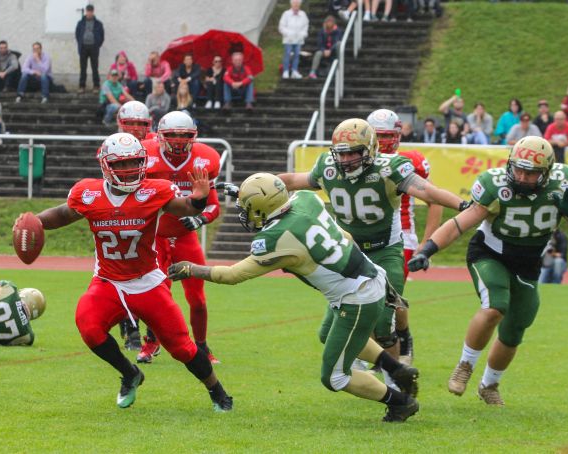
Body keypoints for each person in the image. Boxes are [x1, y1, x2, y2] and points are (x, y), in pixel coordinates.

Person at [168, 173, 420, 423]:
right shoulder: (306, 200)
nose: (244, 213)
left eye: (247, 208)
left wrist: (192, 269)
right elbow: (346, 237)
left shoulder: (276, 240)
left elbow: (232, 275)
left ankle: (401, 403)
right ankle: (397, 370)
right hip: (368, 275)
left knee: (334, 377)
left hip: (357, 297)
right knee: (327, 334)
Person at [31, 132, 233, 411]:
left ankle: (217, 390)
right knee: (88, 327)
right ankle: (130, 373)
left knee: (182, 348)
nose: (128, 170)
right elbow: (64, 214)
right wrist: (34, 223)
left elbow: (183, 206)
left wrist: (198, 200)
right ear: (105, 166)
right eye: (120, 165)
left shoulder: (154, 190)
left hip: (147, 280)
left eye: (134, 163)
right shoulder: (88, 192)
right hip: (108, 280)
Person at [407, 136, 568, 405]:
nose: (520, 176)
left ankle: (489, 385)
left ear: (545, 172)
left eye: (529, 172)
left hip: (529, 262)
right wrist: (428, 249)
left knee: (515, 329)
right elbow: (462, 222)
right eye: (517, 168)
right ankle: (464, 365)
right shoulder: (495, 184)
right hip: (490, 253)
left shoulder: (563, 182)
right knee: (495, 305)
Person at [277, 119, 469, 373]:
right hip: (348, 253)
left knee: (382, 325)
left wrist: (464, 206)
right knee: (327, 333)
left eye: (353, 153)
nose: (346, 160)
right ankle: (372, 368)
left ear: (369, 149)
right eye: (342, 153)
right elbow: (290, 181)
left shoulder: (389, 168)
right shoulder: (328, 167)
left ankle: (396, 380)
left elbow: (429, 193)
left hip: (385, 250)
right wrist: (255, 185)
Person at [138, 111, 222, 364]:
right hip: (156, 237)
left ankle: (202, 347)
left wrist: (200, 219)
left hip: (185, 236)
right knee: (157, 294)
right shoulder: (145, 156)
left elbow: (213, 205)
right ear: (160, 136)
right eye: (172, 135)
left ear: (193, 137)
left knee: (197, 298)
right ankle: (152, 342)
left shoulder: (204, 160)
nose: (177, 140)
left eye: (183, 135)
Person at [367, 109, 444, 365]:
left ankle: (402, 339)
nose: (382, 142)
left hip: (401, 236)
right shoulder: (353, 160)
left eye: (387, 135)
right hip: (363, 237)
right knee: (361, 295)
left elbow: (435, 201)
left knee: (390, 299)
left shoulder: (408, 162)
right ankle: (371, 352)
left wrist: (426, 244)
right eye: (377, 136)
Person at [75, 4, 104, 94]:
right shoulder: (80, 23)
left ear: (93, 12)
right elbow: (77, 34)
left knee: (95, 68)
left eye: (91, 11)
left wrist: (97, 44)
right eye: (88, 11)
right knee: (83, 68)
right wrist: (81, 43)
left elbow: (102, 36)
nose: (89, 13)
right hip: (83, 47)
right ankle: (82, 86)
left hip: (94, 47)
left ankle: (96, 86)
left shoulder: (98, 23)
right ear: (86, 12)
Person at [279, 0, 309, 79]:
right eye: (295, 4)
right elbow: (281, 27)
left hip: (298, 39)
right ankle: (285, 71)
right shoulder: (286, 14)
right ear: (291, 5)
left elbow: (306, 25)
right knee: (287, 54)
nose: (296, 5)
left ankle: (294, 71)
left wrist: (303, 34)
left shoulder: (303, 14)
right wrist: (288, 33)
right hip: (288, 39)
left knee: (296, 55)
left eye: (298, 4)